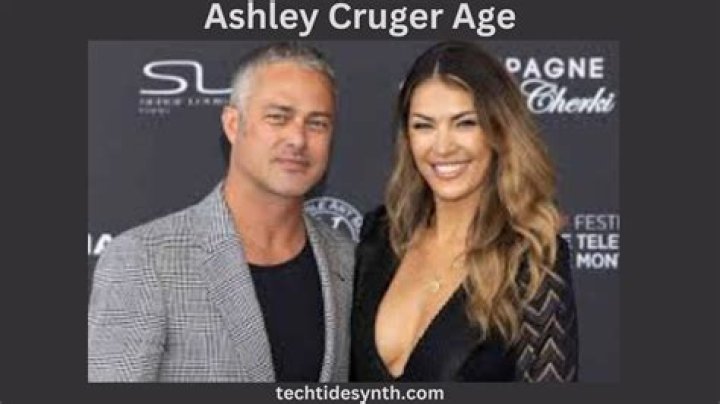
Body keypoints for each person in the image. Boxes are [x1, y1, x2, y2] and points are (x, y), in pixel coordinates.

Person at [88, 43, 354, 382]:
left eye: (317, 123)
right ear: (232, 124)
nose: (297, 139)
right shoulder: (144, 259)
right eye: (278, 117)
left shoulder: (347, 259)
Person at [351, 41, 579, 382]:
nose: (442, 146)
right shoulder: (379, 236)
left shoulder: (533, 262)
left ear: (499, 130)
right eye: (423, 125)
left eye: (465, 123)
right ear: (407, 137)